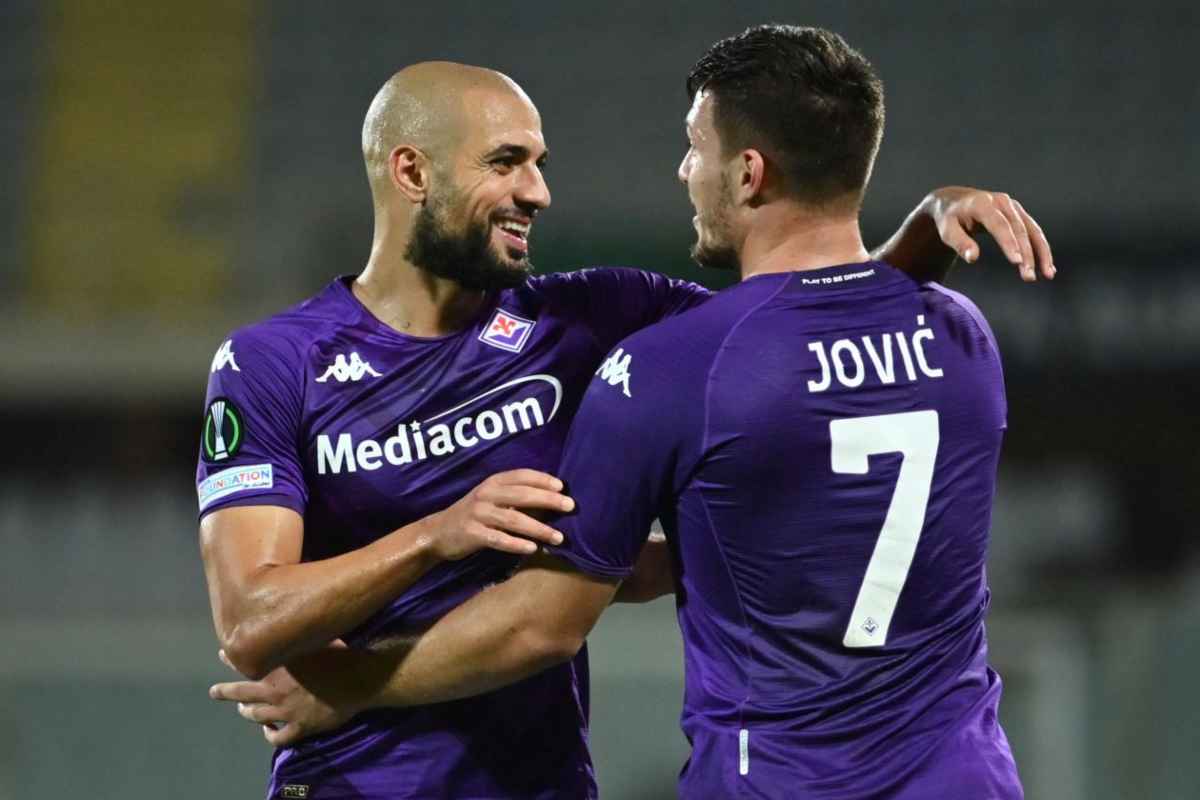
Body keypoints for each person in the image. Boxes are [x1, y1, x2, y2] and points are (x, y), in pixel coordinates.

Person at [202, 52, 1048, 799]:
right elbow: (250, 624)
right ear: (412, 172)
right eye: (506, 163)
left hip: (541, 783)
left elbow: (788, 330)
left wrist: (920, 240)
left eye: (539, 163)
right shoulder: (274, 363)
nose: (537, 191)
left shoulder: (594, 316)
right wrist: (435, 536)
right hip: (358, 780)